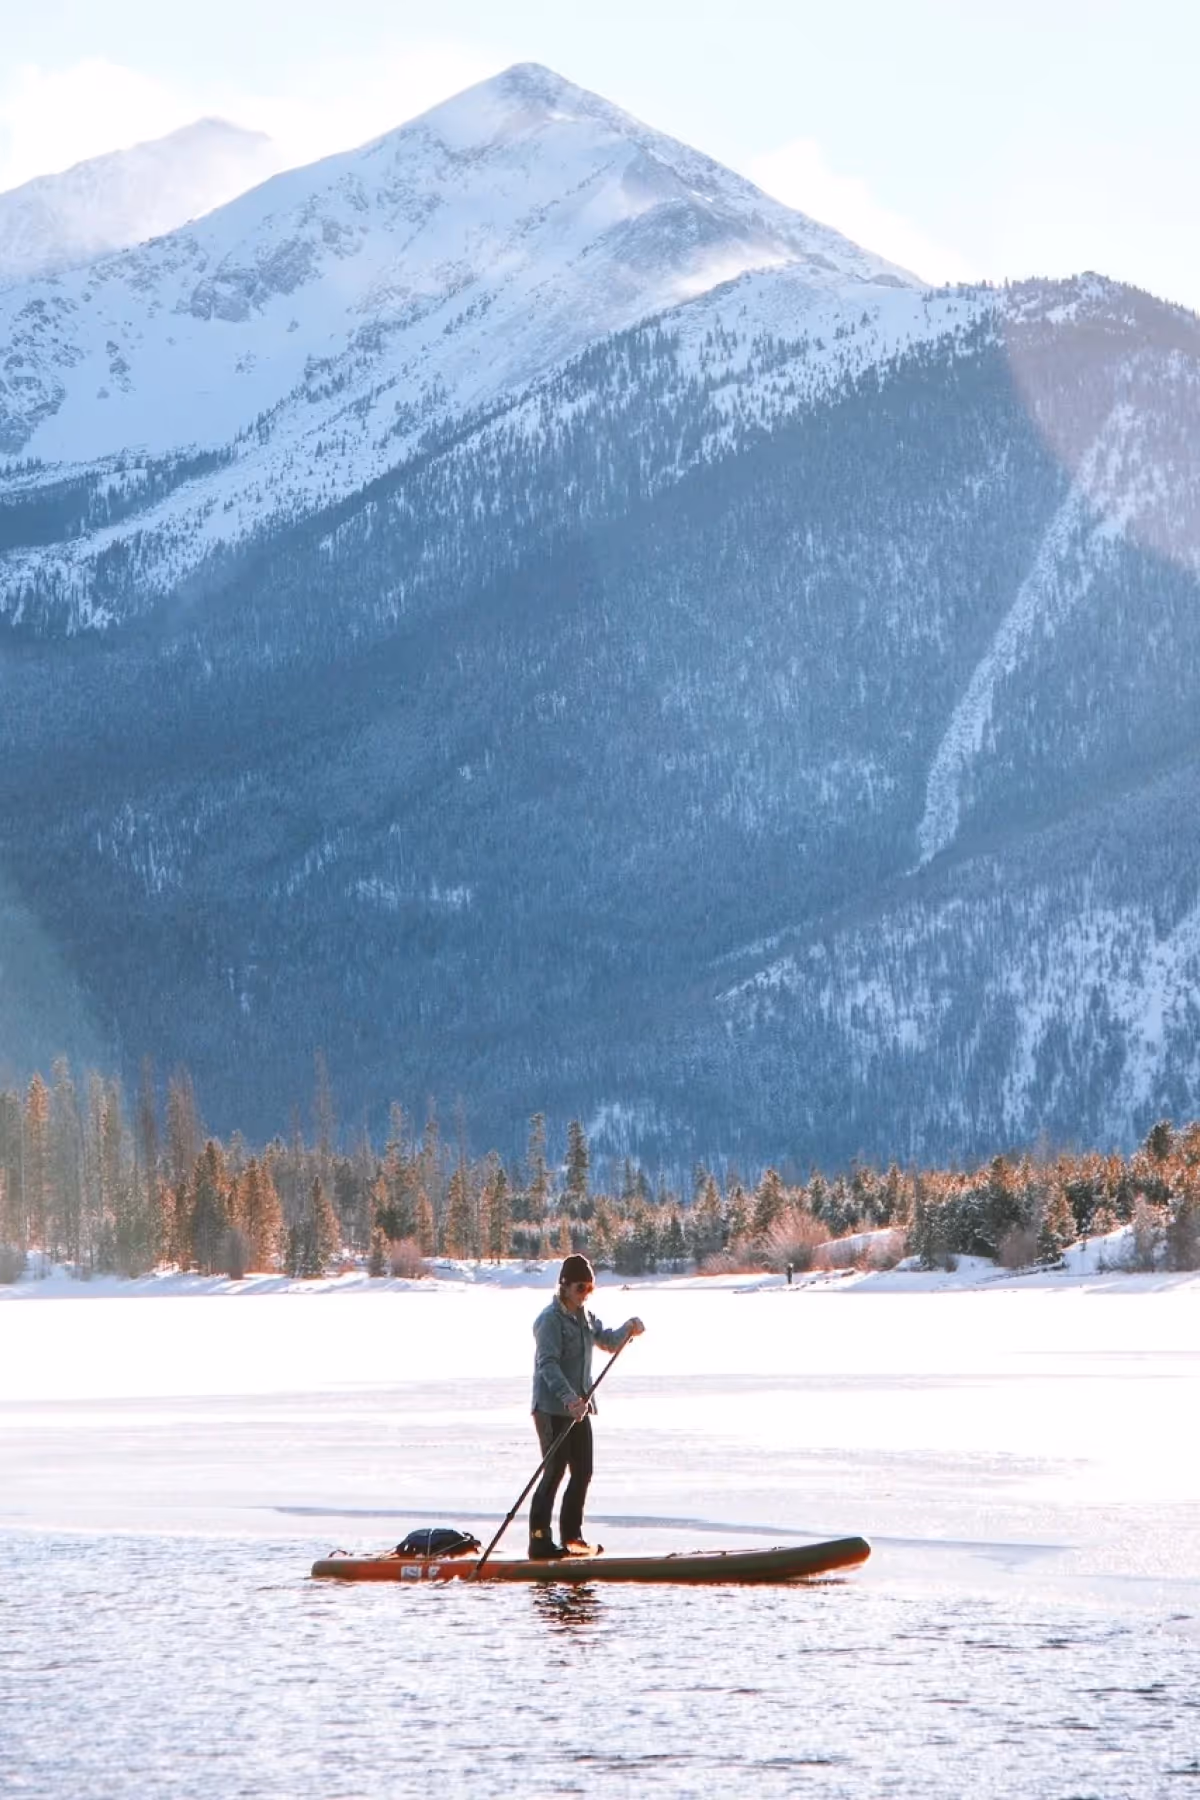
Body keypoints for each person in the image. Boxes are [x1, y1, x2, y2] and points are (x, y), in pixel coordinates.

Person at [528, 1253, 644, 1559]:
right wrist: (570, 1399)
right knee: (554, 1472)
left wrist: (628, 1329)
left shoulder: (585, 1318)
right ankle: (539, 1541)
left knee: (583, 1471)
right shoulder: (548, 1321)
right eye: (580, 1288)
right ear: (564, 1286)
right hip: (552, 1409)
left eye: (589, 1289)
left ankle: (572, 1538)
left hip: (579, 1410)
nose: (584, 1295)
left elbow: (606, 1340)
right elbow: (547, 1365)